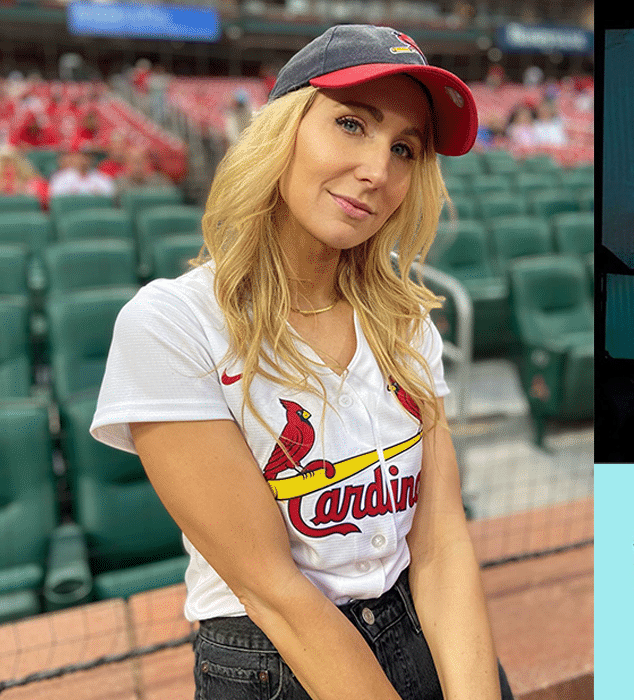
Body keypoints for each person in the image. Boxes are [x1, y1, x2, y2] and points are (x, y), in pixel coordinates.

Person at [90, 25, 511, 700]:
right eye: (351, 123)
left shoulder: (405, 321)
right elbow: (276, 589)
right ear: (282, 130)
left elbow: (440, 545)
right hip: (269, 659)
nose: (378, 170)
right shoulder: (172, 325)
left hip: (417, 624)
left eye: (404, 148)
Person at [48, 148, 115, 197]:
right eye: (81, 156)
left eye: (88, 156)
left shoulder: (102, 177)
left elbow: (110, 195)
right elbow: (55, 197)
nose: (84, 160)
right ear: (74, 157)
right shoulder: (60, 177)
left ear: (93, 159)